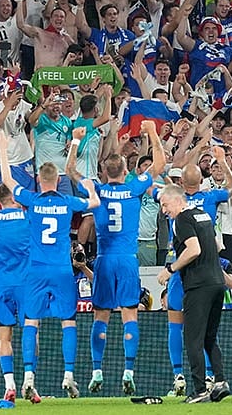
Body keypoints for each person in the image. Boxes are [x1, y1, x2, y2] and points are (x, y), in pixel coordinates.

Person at [0, 126, 100, 402]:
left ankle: (29, 376)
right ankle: (68, 376)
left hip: (36, 269)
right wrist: (88, 184)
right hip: (62, 269)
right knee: (68, 322)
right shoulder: (67, 201)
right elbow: (94, 202)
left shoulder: (30, 200)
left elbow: (7, 180)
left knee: (31, 320)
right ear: (57, 180)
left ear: (39, 181)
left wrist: (3, 149)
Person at [87, 121, 165, 396]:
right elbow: (159, 165)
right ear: (126, 171)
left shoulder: (96, 190)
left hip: (104, 259)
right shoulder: (133, 188)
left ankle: (97, 369)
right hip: (128, 259)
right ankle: (128, 370)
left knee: (101, 315)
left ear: (105, 172)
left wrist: (112, 147)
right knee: (130, 314)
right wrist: (153, 134)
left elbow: (76, 171)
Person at [157, 184, 231, 404]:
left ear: (177, 200)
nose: (164, 210)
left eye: (165, 204)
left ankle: (199, 390)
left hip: (199, 285)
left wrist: (170, 269)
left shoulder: (182, 220)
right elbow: (218, 246)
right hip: (218, 283)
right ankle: (220, 381)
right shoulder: (204, 216)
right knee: (209, 337)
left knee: (193, 340)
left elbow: (194, 249)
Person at [0, 184, 30, 403]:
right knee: (31, 332)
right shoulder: (26, 218)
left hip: (2, 284)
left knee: (4, 337)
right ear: (13, 197)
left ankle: (9, 384)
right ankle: (30, 380)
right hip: (26, 284)